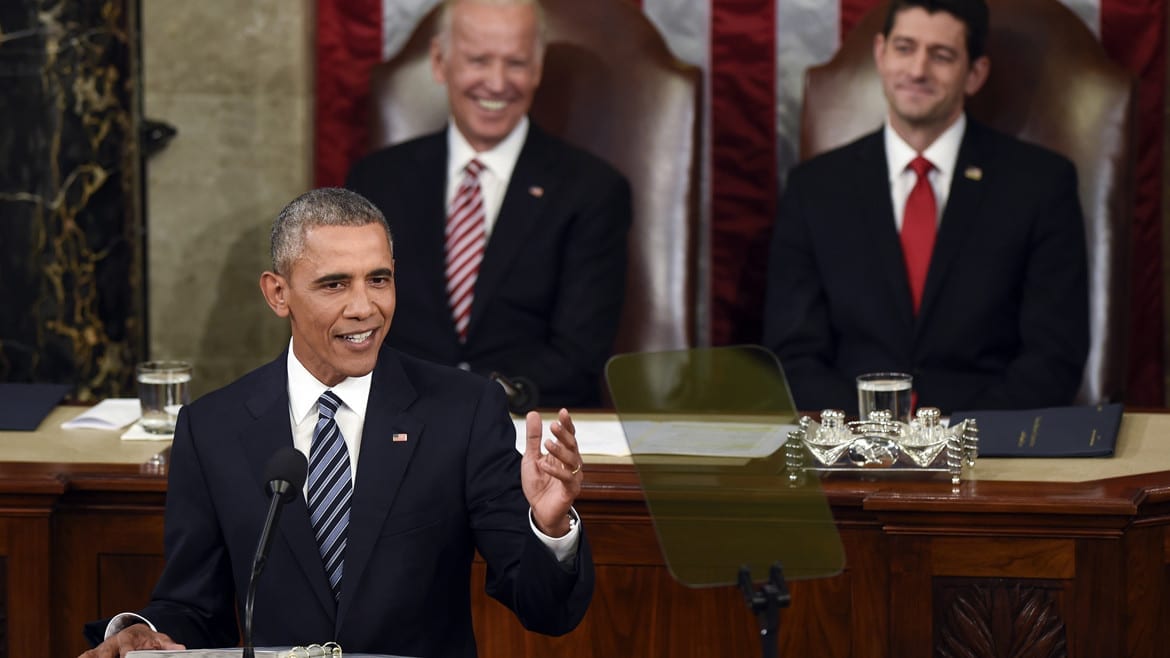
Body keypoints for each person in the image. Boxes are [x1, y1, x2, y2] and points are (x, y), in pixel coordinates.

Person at [79, 188, 593, 657]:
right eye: (334, 284)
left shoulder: (462, 410)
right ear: (278, 294)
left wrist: (551, 528)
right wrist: (144, 632)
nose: (364, 308)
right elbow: (196, 610)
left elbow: (545, 611)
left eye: (379, 279)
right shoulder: (212, 427)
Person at [762, 0, 1089, 415]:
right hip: (853, 450)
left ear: (974, 74)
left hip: (988, 452)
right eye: (904, 48)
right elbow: (792, 355)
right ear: (880, 54)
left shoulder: (1041, 184)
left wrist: (956, 438)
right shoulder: (815, 188)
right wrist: (875, 435)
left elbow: (1054, 357)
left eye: (941, 55)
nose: (917, 70)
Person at [346, 0, 632, 410]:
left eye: (515, 63)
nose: (497, 84)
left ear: (537, 69)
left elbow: (579, 354)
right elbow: (351, 321)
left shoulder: (593, 190)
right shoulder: (375, 181)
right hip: (395, 423)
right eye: (478, 60)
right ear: (440, 62)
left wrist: (472, 403)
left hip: (527, 428)